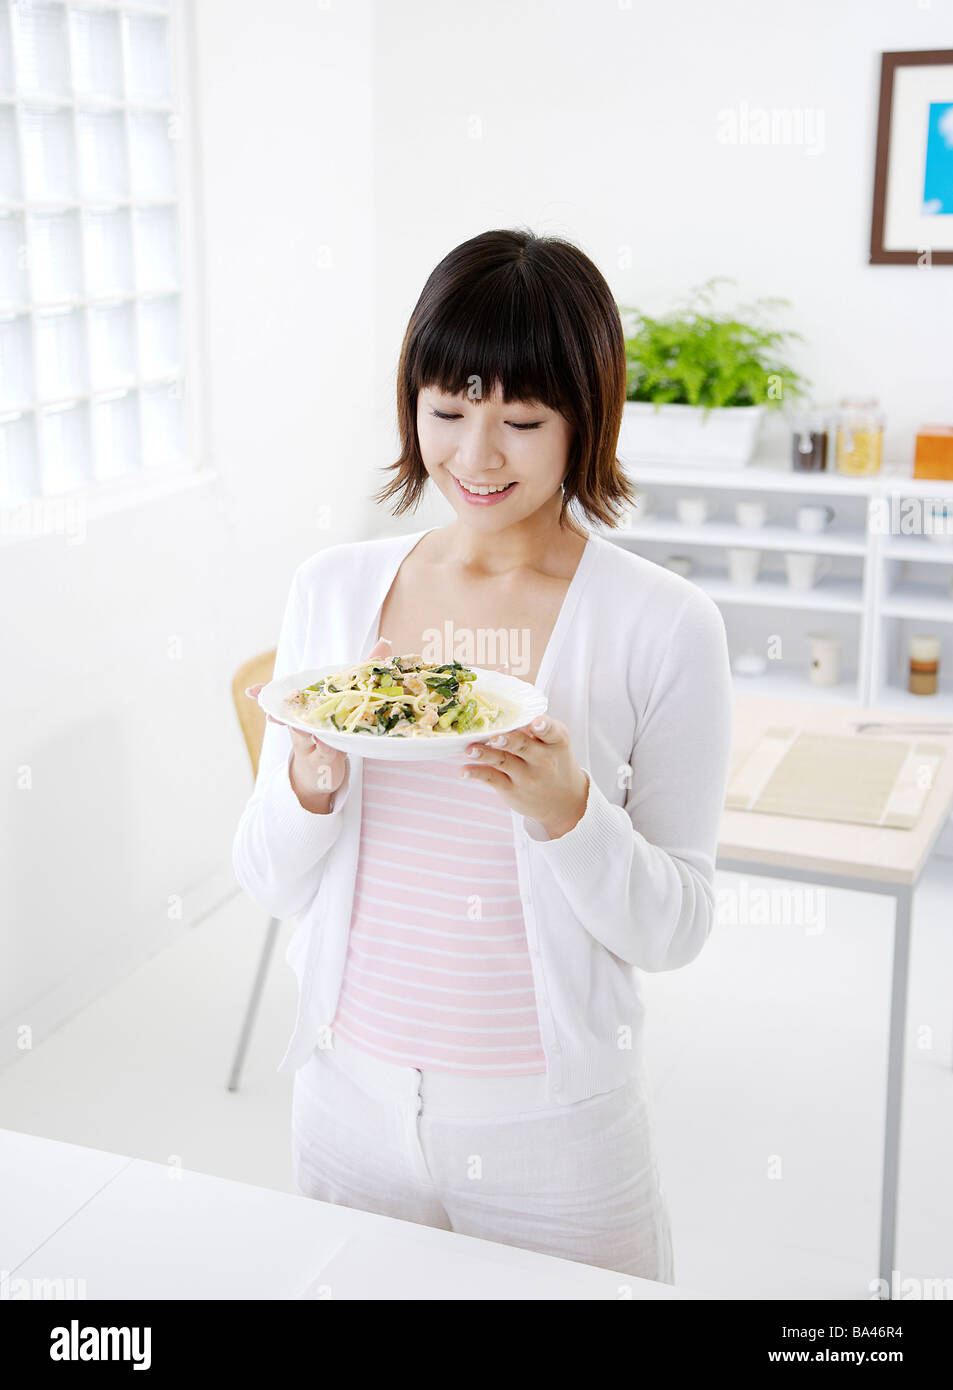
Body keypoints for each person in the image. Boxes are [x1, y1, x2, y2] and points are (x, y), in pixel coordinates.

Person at [234, 227, 734, 1284]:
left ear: (582, 423)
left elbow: (675, 924)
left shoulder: (662, 624)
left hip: (551, 1130)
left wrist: (569, 813)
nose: (473, 456)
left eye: (519, 419)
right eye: (447, 411)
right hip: (345, 1101)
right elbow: (267, 876)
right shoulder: (332, 588)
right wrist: (309, 783)